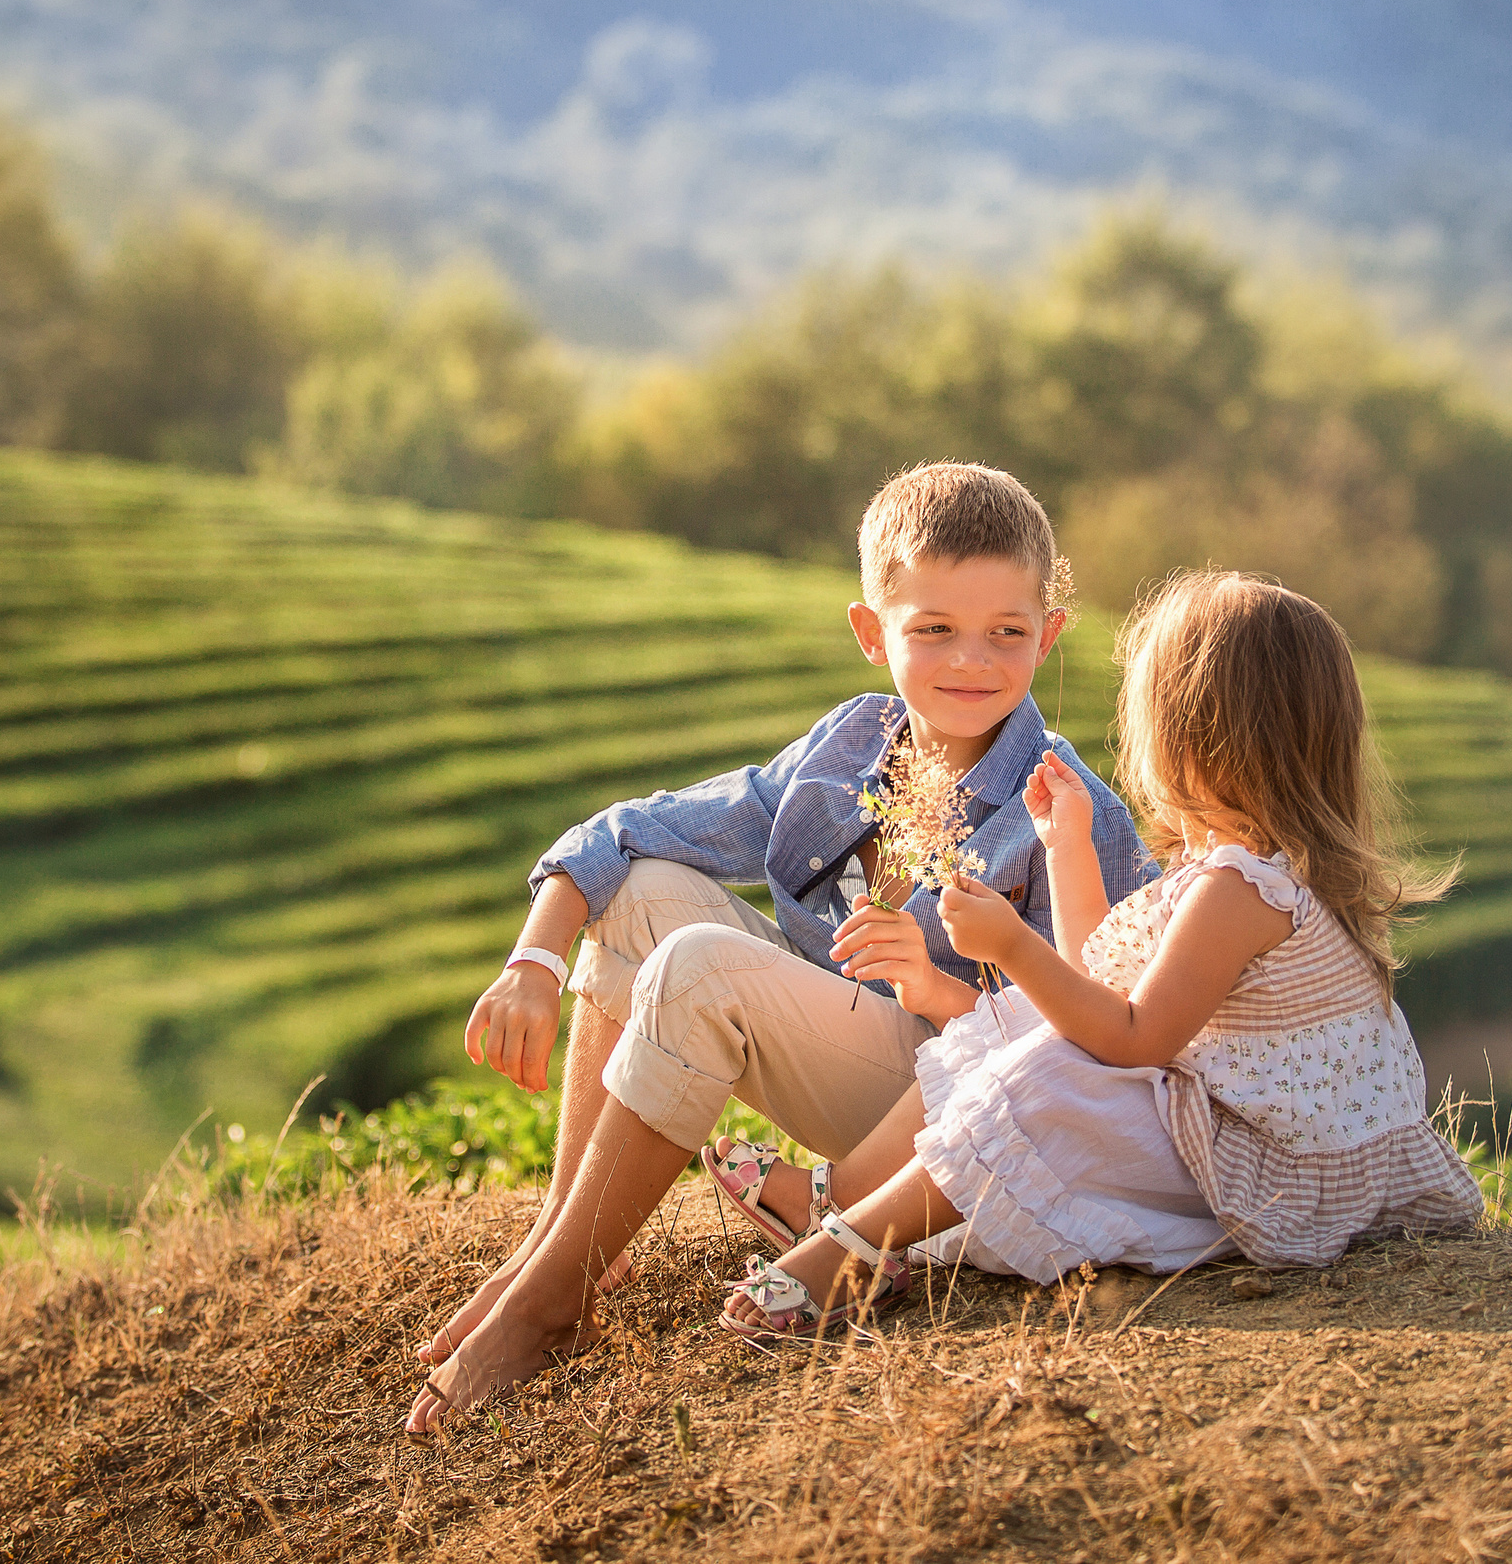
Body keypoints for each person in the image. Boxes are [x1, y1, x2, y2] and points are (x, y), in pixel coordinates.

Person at [407, 463, 1156, 1428]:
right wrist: (534, 961)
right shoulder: (850, 744)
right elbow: (637, 828)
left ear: (1047, 635)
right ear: (870, 631)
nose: (971, 660)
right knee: (644, 896)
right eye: (932, 628)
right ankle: (567, 1238)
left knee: (698, 966)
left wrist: (936, 986)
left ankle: (550, 1300)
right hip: (839, 1064)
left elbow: (1089, 1044)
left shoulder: (1062, 806)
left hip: (949, 1113)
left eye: (1006, 632)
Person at [719, 570, 1482, 1339]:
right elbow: (1097, 986)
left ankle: (853, 1246)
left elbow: (1130, 1039)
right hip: (1238, 1131)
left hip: (1272, 1170)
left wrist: (1015, 945)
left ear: (1190, 734)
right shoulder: (1244, 871)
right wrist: (1067, 846)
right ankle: (842, 1200)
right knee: (1024, 1025)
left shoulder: (1239, 887)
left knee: (1046, 1069)